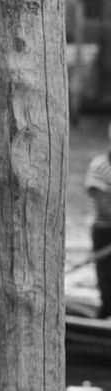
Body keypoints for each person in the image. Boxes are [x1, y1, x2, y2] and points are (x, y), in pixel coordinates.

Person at [84, 124, 111, 318]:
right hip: (105, 232)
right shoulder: (99, 166)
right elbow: (104, 209)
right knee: (108, 284)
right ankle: (105, 315)